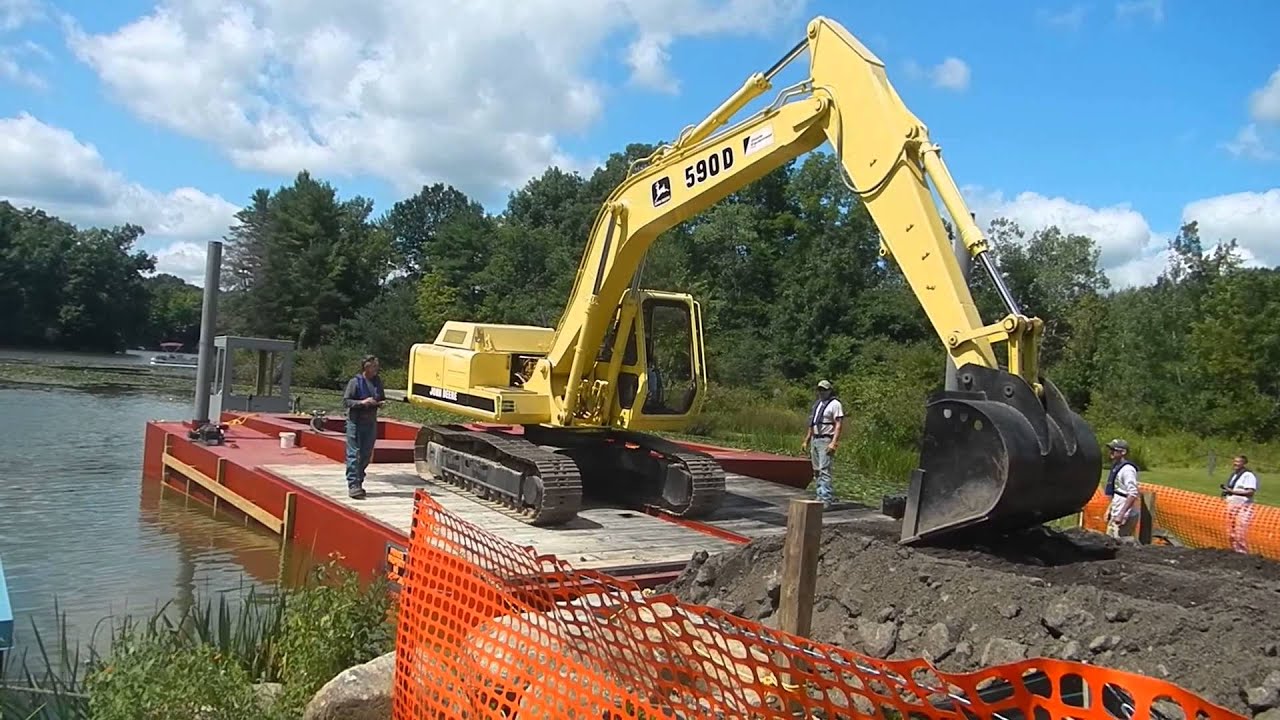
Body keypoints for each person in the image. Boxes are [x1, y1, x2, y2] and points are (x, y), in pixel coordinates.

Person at [343, 355, 385, 499]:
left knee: (366, 454)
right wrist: (362, 403)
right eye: (374, 366)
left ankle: (359, 480)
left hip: (370, 422)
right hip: (356, 422)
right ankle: (353, 485)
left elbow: (381, 397)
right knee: (354, 453)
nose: (376, 369)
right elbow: (347, 401)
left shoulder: (377, 382)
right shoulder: (355, 382)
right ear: (366, 367)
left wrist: (379, 403)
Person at [801, 379, 843, 508]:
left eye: (824, 390)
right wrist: (807, 440)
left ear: (830, 390)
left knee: (825, 469)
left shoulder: (835, 404)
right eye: (820, 389)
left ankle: (826, 498)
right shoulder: (818, 404)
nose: (821, 392)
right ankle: (819, 494)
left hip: (826, 439)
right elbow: (812, 424)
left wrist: (834, 442)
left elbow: (838, 424)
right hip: (815, 439)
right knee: (817, 470)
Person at [1221, 454, 1258, 554]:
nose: (1235, 463)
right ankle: (1234, 551)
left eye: (1238, 462)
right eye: (1234, 461)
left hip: (1244, 507)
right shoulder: (1234, 474)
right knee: (1230, 531)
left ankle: (1242, 553)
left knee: (1240, 531)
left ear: (1244, 463)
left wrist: (1232, 491)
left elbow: (1250, 491)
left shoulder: (1248, 475)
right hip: (1232, 505)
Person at [1104, 438, 1140, 538]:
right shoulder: (1117, 467)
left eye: (1114, 449)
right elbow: (1117, 491)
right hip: (1116, 510)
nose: (1110, 452)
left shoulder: (1127, 470)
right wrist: (1109, 510)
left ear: (1123, 452)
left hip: (1124, 514)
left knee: (1120, 545)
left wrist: (1122, 514)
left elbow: (1132, 494)